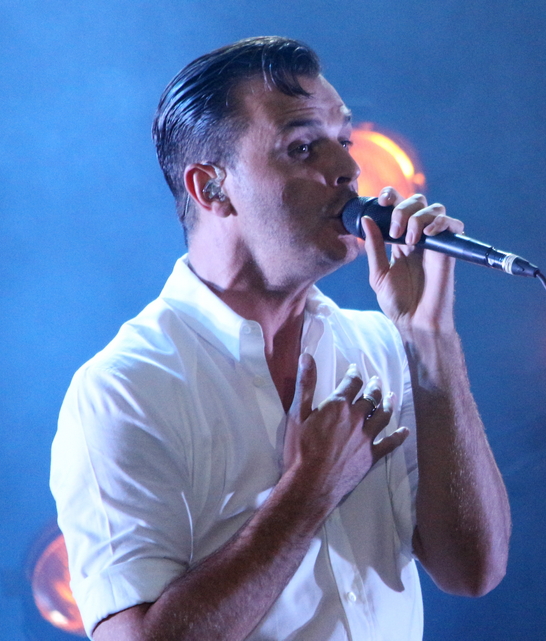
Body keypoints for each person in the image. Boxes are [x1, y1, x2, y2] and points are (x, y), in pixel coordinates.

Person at [50, 36, 511, 641]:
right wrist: (310, 490)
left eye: (343, 140)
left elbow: (474, 571)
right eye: (302, 147)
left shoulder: (380, 345)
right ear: (211, 188)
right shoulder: (123, 390)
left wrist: (430, 338)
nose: (349, 169)